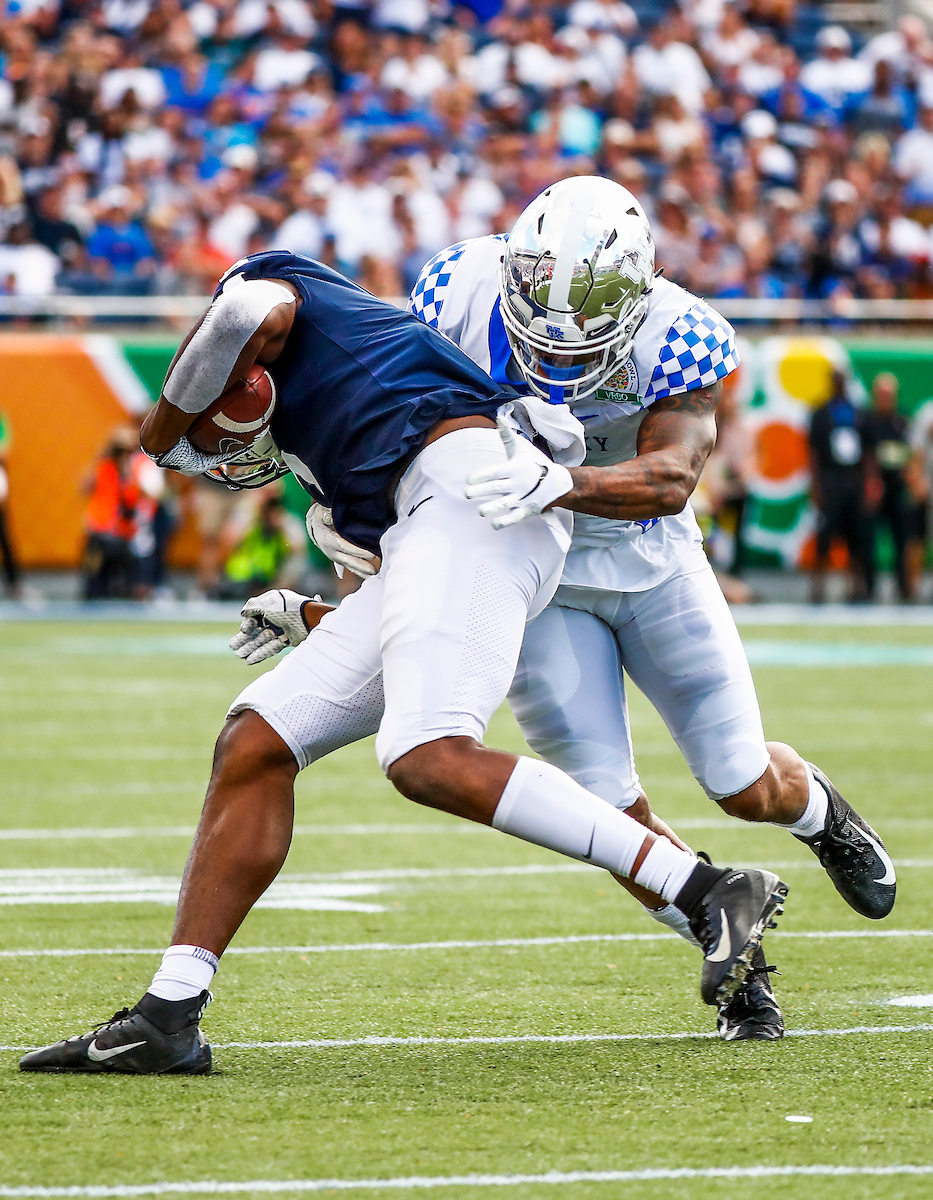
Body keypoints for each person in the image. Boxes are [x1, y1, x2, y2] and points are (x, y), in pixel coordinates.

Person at [21, 242, 792, 1076]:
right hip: (445, 515)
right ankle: (169, 1014)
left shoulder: (271, 301)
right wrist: (313, 614)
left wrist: (161, 432)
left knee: (427, 754)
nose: (222, 461)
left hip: (479, 488)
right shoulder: (331, 430)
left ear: (241, 386)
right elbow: (419, 593)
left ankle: (707, 890)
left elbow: (245, 314)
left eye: (213, 442)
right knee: (256, 739)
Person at [809, 371, 874, 603]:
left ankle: (855, 587)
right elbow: (814, 453)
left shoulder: (858, 413)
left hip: (852, 480)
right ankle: (818, 589)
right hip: (830, 479)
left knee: (855, 537)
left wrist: (868, 483)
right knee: (824, 537)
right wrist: (815, 486)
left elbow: (867, 453)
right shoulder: (821, 413)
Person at [863, 373, 913, 602]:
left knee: (901, 542)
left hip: (896, 490)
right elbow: (865, 455)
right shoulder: (868, 422)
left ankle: (903, 589)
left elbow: (907, 455)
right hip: (875, 490)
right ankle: (868, 589)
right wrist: (870, 481)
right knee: (869, 541)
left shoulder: (901, 422)